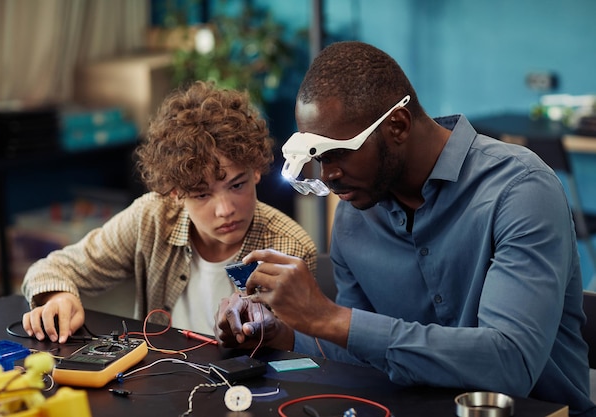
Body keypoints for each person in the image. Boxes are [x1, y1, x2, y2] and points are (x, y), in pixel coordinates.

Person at [215, 41, 595, 416]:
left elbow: (509, 366)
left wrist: (328, 317)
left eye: (337, 154)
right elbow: (361, 352)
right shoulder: (355, 212)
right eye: (318, 159)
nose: (329, 176)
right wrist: (280, 333)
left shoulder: (520, 191)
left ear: (397, 125)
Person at [21, 80, 317, 344]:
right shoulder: (151, 218)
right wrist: (58, 297)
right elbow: (49, 269)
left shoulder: (288, 246)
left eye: (236, 185)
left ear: (255, 172)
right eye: (202, 194)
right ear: (175, 193)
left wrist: (272, 333)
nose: (225, 209)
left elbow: (301, 352)